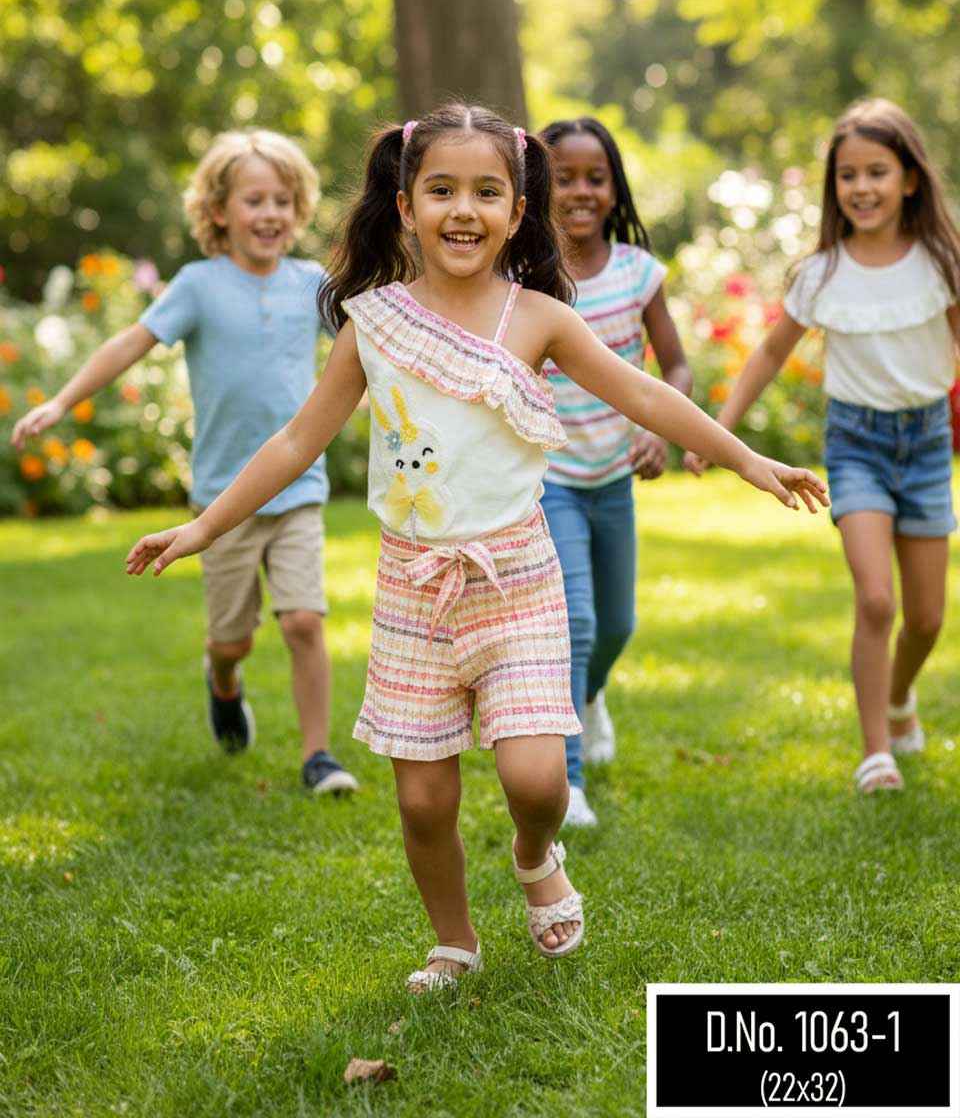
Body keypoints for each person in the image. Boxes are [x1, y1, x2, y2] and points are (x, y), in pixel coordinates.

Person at [124, 104, 826, 992]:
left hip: (517, 577)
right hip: (413, 588)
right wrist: (202, 528)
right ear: (406, 204)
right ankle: (454, 942)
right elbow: (297, 442)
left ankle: (535, 855)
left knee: (538, 781)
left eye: (487, 192)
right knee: (424, 799)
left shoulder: (538, 318)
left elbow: (645, 396)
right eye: (442, 190)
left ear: (518, 210)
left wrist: (748, 459)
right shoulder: (372, 323)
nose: (464, 210)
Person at [13, 130, 357, 797]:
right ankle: (222, 681)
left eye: (283, 200)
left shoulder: (311, 283)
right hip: (221, 500)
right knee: (232, 642)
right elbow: (129, 344)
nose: (270, 213)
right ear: (219, 210)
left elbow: (368, 345)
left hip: (298, 489)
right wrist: (60, 401)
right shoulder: (199, 285)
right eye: (254, 200)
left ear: (299, 208)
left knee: (304, 621)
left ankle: (318, 755)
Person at [685, 98, 960, 794]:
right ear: (834, 186)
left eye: (876, 172)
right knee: (877, 600)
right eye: (847, 175)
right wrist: (721, 431)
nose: (861, 188)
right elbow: (769, 354)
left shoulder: (940, 262)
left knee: (927, 617)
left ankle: (899, 696)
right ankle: (877, 753)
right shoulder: (823, 273)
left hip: (927, 445)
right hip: (857, 446)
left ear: (910, 179)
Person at [539, 117, 692, 829]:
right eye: (564, 178)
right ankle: (568, 783)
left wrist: (659, 428)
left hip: (613, 476)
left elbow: (676, 365)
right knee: (575, 619)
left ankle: (591, 695)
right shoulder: (526, 274)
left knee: (617, 625)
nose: (580, 191)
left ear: (614, 188)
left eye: (594, 178)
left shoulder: (637, 272)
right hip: (550, 476)